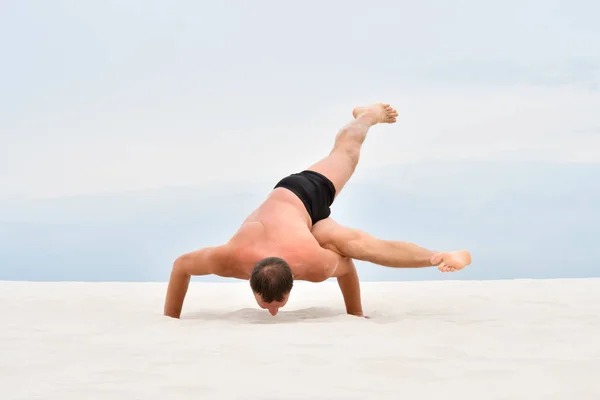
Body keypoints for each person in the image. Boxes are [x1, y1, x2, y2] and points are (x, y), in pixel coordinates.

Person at [163, 103, 471, 319]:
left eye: (278, 303)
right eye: (267, 304)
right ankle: (436, 256)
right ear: (249, 281)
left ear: (294, 280)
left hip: (301, 195)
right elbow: (181, 266)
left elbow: (347, 267)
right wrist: (171, 319)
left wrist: (355, 314)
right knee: (349, 243)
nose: (273, 310)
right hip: (303, 223)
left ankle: (366, 115)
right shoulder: (226, 258)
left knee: (348, 157)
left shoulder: (313, 263)